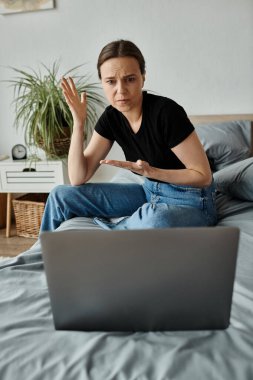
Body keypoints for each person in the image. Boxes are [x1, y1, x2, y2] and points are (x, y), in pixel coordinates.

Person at [40, 39, 217, 232]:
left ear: (143, 77)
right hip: (149, 192)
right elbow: (77, 177)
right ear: (102, 82)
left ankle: (109, 235)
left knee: (157, 220)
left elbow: (203, 176)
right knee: (61, 195)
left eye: (130, 79)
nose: (121, 90)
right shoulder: (111, 116)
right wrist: (79, 122)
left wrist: (152, 172)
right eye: (111, 81)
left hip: (190, 200)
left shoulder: (167, 112)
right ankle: (45, 261)